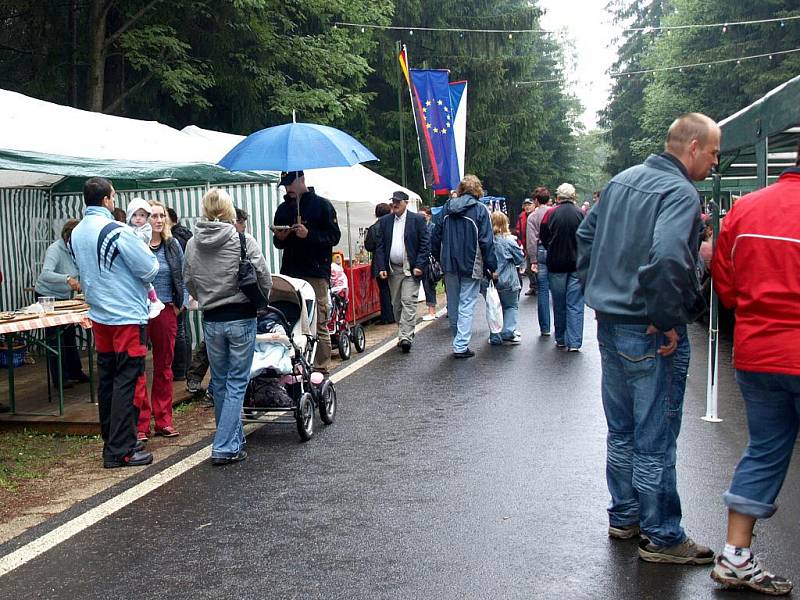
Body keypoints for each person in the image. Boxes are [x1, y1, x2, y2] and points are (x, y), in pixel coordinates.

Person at [576, 112, 719, 564]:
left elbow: (586, 236)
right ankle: (661, 535)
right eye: (714, 152)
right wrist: (669, 317)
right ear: (692, 147)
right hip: (649, 328)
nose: (715, 162)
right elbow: (669, 258)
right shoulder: (680, 192)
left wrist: (599, 291)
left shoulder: (620, 182)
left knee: (621, 431)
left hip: (611, 321)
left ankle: (625, 516)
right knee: (655, 435)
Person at [707, 149, 800, 595]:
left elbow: (724, 279)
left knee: (764, 448)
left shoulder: (747, 207)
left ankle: (735, 556)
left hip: (756, 350)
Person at [70, 177, 157, 468]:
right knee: (127, 379)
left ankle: (111, 442)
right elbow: (149, 267)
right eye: (114, 196)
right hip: (126, 315)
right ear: (107, 199)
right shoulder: (117, 230)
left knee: (107, 379)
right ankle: (123, 448)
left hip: (100, 315)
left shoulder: (77, 232)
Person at [184, 188, 272, 465]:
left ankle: (233, 439)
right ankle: (223, 445)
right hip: (241, 316)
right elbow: (263, 276)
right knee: (236, 382)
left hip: (211, 319)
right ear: (229, 209)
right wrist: (262, 301)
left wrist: (205, 296)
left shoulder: (192, 244)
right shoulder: (242, 239)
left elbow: (188, 281)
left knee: (220, 383)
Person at [271, 170, 340, 373]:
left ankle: (321, 367)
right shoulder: (283, 209)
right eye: (284, 185)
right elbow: (278, 243)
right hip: (290, 273)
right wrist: (281, 238)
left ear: (302, 180)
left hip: (316, 272)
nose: (288, 188)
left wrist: (309, 234)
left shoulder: (322, 206)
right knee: (290, 318)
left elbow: (333, 236)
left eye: (291, 183)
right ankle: (293, 365)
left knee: (318, 320)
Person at [134, 199, 187, 442]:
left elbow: (184, 275)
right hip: (140, 311)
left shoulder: (173, 245)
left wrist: (179, 304)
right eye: (152, 216)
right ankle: (141, 424)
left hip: (166, 308)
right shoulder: (136, 244)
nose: (157, 220)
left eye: (160, 216)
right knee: (138, 368)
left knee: (164, 367)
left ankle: (164, 419)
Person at [431, 174, 497, 358]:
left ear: (460, 190)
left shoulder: (446, 208)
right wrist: (491, 266)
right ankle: (460, 345)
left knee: (453, 302)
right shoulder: (480, 210)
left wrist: (438, 257)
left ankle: (458, 338)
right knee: (467, 304)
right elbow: (486, 241)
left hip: (449, 262)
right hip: (471, 262)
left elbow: (435, 236)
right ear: (478, 190)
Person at [34, 219, 90, 390]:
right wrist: (67, 279)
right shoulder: (55, 249)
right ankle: (59, 378)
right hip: (47, 296)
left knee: (69, 334)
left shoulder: (76, 250)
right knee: (54, 337)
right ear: (68, 238)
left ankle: (75, 371)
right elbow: (45, 274)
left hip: (64, 297)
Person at [373, 191, 430, 353]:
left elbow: (425, 244)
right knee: (396, 305)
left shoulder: (417, 220)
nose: (395, 205)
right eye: (393, 202)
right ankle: (403, 329)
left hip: (410, 269)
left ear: (406, 203)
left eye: (398, 202)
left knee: (408, 301)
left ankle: (405, 336)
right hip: (393, 269)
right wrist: (381, 267)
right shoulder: (385, 221)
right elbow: (380, 246)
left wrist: (419, 264)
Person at [540, 183, 585, 351]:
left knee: (559, 302)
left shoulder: (550, 214)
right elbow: (587, 237)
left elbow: (543, 236)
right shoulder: (581, 213)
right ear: (574, 196)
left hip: (556, 263)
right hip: (576, 264)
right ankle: (574, 342)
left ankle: (560, 338)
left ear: (558, 196)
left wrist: (552, 248)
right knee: (575, 303)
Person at [487, 211, 523, 345]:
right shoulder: (508, 240)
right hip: (508, 279)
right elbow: (519, 257)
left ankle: (495, 334)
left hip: (491, 280)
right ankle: (508, 331)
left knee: (494, 307)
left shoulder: (487, 241)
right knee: (511, 306)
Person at [126, 198, 165, 320]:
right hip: (132, 260)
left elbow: (139, 239)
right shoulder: (127, 228)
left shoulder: (146, 228)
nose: (138, 218)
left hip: (143, 259)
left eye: (142, 215)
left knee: (146, 281)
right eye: (135, 215)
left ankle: (154, 301)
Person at [167, 206, 192, 382]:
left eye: (163, 217)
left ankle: (179, 371)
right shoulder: (187, 234)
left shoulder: (174, 239)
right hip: (184, 287)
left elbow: (177, 268)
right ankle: (186, 367)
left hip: (176, 289)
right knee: (184, 329)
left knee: (179, 331)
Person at [526, 187, 553, 336]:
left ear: (536, 200)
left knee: (542, 289)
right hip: (555, 250)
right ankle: (560, 326)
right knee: (556, 289)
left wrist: (533, 260)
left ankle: (545, 328)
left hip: (540, 250)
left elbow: (531, 241)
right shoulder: (553, 212)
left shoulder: (533, 217)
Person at [364, 203, 395, 325]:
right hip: (393, 259)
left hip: (378, 261)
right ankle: (396, 313)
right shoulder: (393, 225)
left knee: (384, 290)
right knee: (395, 289)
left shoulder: (373, 228)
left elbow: (369, 246)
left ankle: (387, 316)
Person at [418, 207, 438, 321]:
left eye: (423, 215)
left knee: (429, 284)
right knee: (427, 285)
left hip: (430, 260)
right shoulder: (419, 228)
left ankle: (432, 311)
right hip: (423, 259)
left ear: (429, 216)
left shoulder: (432, 228)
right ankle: (431, 310)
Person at [516, 198, 537, 295]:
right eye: (526, 205)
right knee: (528, 269)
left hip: (537, 246)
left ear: (534, 205)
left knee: (538, 269)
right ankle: (533, 286)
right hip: (526, 246)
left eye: (529, 204)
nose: (527, 207)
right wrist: (520, 245)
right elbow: (518, 231)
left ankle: (541, 286)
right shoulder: (522, 216)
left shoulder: (537, 215)